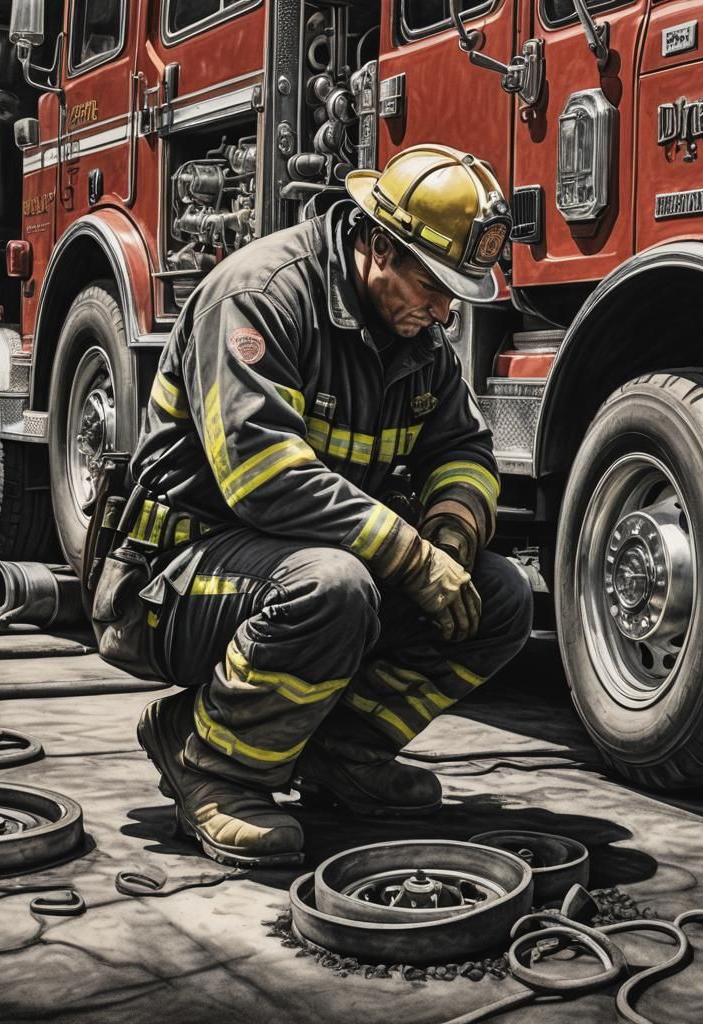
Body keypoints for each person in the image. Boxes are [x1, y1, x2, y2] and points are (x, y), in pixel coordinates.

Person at [106, 143, 533, 866]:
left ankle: (338, 755)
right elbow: (262, 474)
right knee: (334, 587)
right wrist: (409, 556)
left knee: (500, 596)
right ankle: (206, 760)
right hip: (172, 578)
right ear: (375, 245)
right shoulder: (262, 295)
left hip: (304, 566)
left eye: (455, 294)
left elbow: (463, 451)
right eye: (433, 285)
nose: (443, 311)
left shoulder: (421, 342)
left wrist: (451, 534)